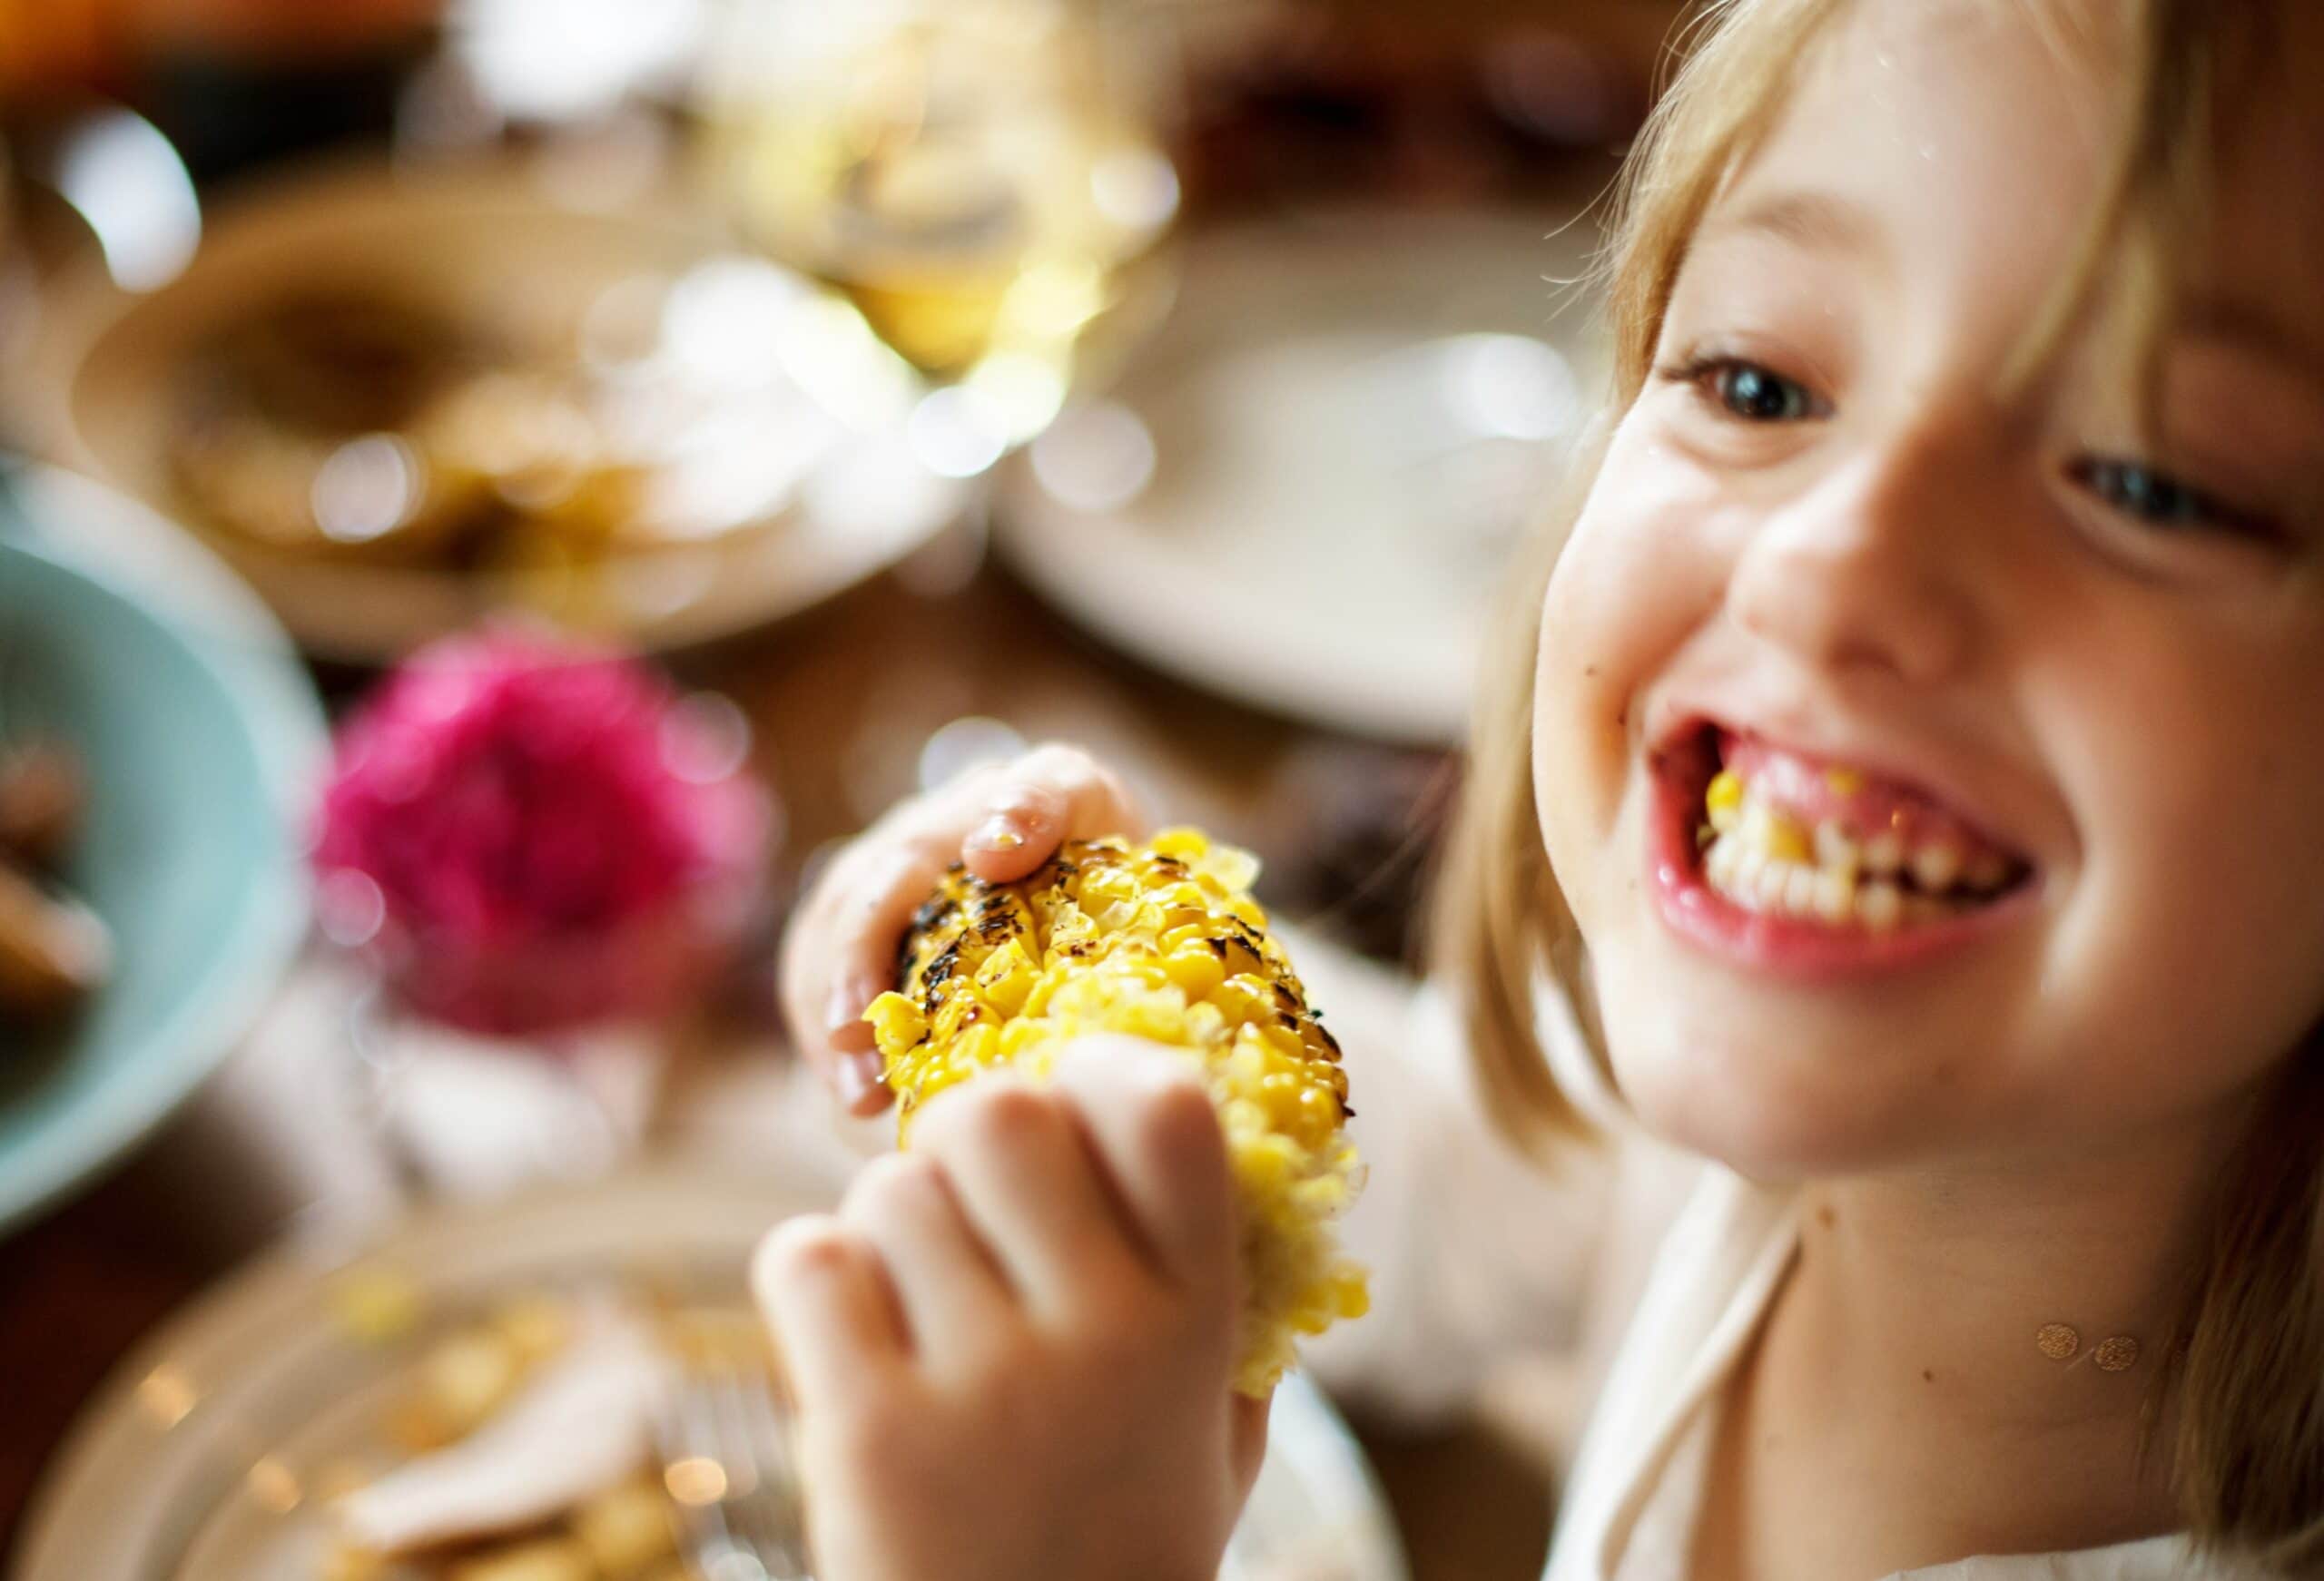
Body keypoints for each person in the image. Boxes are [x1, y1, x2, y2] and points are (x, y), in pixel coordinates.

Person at [765, 0, 2324, 1576]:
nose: (1826, 568)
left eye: (2150, 483)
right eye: (1760, 381)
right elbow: (1454, 1174)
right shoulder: (1731, 1130)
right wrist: (1139, 1054)